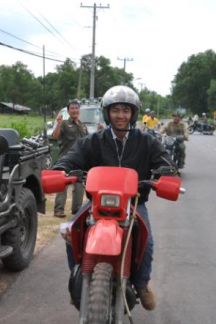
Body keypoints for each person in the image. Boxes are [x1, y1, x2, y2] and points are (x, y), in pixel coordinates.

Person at [53, 85, 175, 311]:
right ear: (107, 113)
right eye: (116, 110)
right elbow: (72, 157)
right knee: (72, 231)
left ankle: (141, 284)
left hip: (134, 203)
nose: (121, 115)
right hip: (98, 202)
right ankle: (78, 281)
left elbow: (164, 161)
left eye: (126, 110)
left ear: (133, 113)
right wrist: (61, 169)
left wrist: (164, 173)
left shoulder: (146, 141)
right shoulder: (94, 140)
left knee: (146, 241)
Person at [52, 100, 88, 218]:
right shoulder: (64, 124)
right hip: (66, 160)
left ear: (79, 110)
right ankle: (58, 210)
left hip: (80, 161)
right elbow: (55, 136)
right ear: (68, 111)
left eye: (76, 108)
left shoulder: (83, 126)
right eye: (72, 108)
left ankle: (76, 209)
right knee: (62, 185)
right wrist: (58, 124)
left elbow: (87, 142)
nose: (75, 110)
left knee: (79, 186)